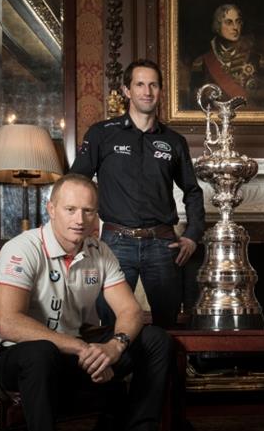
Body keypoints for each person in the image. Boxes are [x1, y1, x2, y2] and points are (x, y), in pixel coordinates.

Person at [0, 174, 185, 431]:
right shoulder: (21, 248)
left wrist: (114, 347)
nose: (80, 220)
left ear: (97, 215)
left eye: (89, 211)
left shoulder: (100, 250)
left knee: (155, 339)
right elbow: (9, 323)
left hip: (75, 353)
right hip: (17, 358)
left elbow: (130, 311)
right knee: (40, 352)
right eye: (70, 209)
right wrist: (82, 348)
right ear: (50, 209)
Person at [71, 58, 205, 330]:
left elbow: (192, 190)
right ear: (126, 90)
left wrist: (192, 236)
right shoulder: (101, 134)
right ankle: (118, 372)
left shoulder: (173, 141)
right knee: (111, 324)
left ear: (160, 91)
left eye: (153, 85)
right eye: (140, 84)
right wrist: (82, 229)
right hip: (114, 243)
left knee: (167, 327)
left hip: (162, 245)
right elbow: (75, 183)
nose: (147, 91)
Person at [188, 4, 264, 110]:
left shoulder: (260, 61)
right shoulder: (201, 63)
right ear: (217, 26)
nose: (235, 27)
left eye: (238, 22)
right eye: (229, 22)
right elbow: (194, 105)